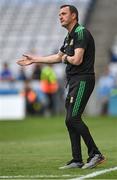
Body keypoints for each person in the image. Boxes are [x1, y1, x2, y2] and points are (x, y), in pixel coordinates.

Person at [17, 4, 105, 169]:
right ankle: (77, 159)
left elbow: (76, 59)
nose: (60, 16)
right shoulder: (69, 37)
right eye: (59, 14)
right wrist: (35, 59)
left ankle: (95, 154)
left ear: (74, 16)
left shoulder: (81, 33)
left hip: (83, 80)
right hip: (73, 81)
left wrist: (65, 57)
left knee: (73, 118)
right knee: (69, 120)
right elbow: (59, 57)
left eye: (64, 14)